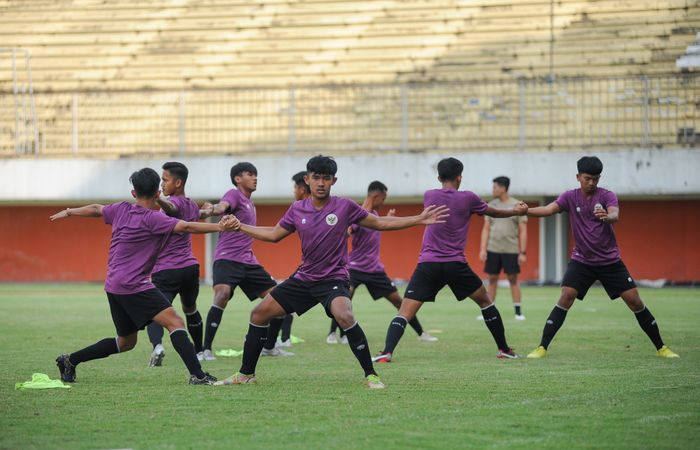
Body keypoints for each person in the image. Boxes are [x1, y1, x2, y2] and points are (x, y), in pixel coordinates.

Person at [214, 155, 448, 389]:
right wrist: (240, 226)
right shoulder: (297, 209)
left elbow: (381, 223)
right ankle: (245, 374)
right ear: (307, 179)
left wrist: (419, 219)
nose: (321, 183)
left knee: (345, 316)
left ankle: (371, 374)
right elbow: (274, 235)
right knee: (258, 314)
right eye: (316, 178)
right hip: (304, 278)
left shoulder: (345, 206)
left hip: (333, 279)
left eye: (326, 178)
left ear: (334, 180)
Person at [51, 168, 238, 385]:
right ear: (158, 193)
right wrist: (221, 227)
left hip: (114, 285)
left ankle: (70, 360)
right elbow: (186, 226)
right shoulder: (154, 219)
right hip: (134, 285)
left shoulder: (121, 209)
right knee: (176, 322)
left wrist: (69, 211)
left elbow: (96, 208)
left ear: (133, 193)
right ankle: (198, 375)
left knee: (126, 342)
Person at [372, 157, 527, 364]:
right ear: (460, 177)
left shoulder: (429, 195)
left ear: (438, 177)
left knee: (405, 311)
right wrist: (515, 211)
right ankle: (504, 349)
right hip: (456, 265)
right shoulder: (469, 198)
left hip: (428, 264)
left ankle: (386, 352)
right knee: (485, 301)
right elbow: (494, 212)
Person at [525, 156, 679, 359]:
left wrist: (608, 217)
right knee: (566, 296)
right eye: (588, 178)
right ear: (578, 177)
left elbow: (615, 214)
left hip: (610, 262)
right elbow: (548, 209)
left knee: (634, 301)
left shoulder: (607, 196)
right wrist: (526, 210)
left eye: (595, 179)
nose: (592, 183)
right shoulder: (569, 197)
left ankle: (662, 348)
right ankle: (542, 348)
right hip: (582, 261)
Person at [199, 162, 293, 360]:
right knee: (222, 294)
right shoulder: (233, 194)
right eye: (250, 174)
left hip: (248, 262)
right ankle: (205, 349)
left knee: (280, 301)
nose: (255, 178)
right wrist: (211, 210)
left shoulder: (251, 204)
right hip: (227, 259)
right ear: (237, 179)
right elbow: (222, 206)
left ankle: (269, 347)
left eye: (256, 174)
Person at [326, 181, 438, 344]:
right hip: (355, 268)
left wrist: (390, 219)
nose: (383, 202)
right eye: (383, 199)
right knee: (343, 298)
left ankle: (421, 333)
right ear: (376, 196)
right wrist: (346, 231)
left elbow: (381, 224)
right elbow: (349, 230)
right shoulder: (358, 214)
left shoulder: (376, 216)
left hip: (374, 270)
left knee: (399, 301)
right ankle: (333, 334)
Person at [146, 162, 207, 367]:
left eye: (165, 180)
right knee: (190, 309)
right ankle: (200, 351)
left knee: (155, 310)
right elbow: (200, 215)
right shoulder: (191, 205)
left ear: (178, 182)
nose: (162, 184)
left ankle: (157, 346)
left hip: (167, 270)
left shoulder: (175, 203)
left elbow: (172, 209)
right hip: (190, 268)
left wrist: (159, 199)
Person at [478, 176, 528, 321]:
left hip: (511, 250)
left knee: (513, 280)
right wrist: (482, 249)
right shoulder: (491, 205)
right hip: (493, 249)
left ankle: (518, 312)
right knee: (492, 279)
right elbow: (486, 228)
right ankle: (489, 311)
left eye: (495, 187)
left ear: (503, 188)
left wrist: (523, 252)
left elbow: (523, 230)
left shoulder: (517, 205)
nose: (493, 190)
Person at [273, 171, 310, 348]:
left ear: (302, 189)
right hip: (307, 267)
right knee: (283, 300)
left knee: (282, 300)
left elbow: (275, 233)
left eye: (295, 187)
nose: (294, 191)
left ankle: (277, 342)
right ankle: (285, 339)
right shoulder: (298, 208)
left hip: (314, 270)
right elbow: (276, 231)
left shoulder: (302, 206)